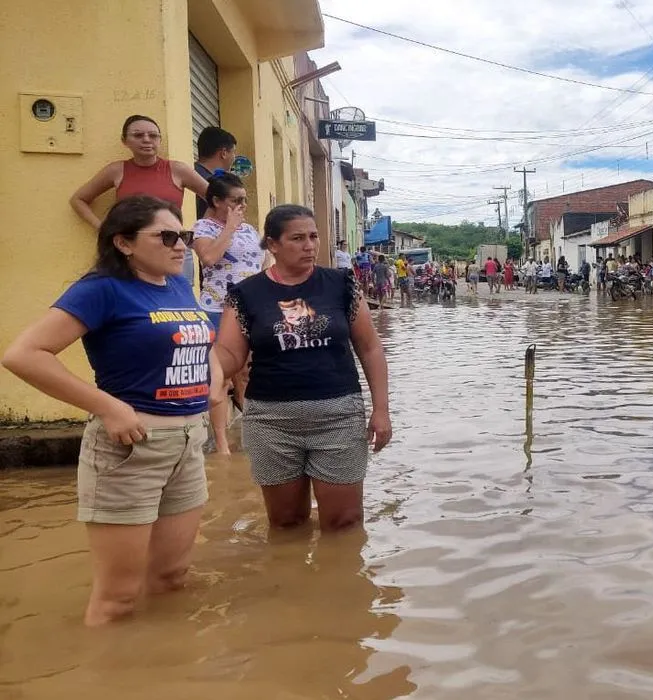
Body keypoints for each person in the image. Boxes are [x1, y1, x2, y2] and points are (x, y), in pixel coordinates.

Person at [2, 196, 223, 626]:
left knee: (172, 578)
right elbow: (24, 355)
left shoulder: (177, 281)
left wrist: (214, 376)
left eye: (185, 236)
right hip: (130, 448)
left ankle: (166, 673)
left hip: (188, 444)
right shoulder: (101, 289)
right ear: (123, 243)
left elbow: (200, 334)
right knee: (118, 598)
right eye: (167, 236)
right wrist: (107, 406)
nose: (181, 246)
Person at [213, 205, 391, 532]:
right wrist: (208, 366)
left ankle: (340, 580)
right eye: (297, 238)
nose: (310, 245)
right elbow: (229, 353)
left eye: (313, 236)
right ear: (273, 245)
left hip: (338, 417)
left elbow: (371, 348)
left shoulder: (341, 285)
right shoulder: (246, 294)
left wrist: (381, 410)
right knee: (286, 523)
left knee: (345, 523)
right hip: (271, 422)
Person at [70, 115, 209, 282]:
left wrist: (204, 231)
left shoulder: (178, 169)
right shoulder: (116, 171)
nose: (146, 140)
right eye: (137, 135)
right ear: (125, 141)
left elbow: (217, 199)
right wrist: (103, 228)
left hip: (173, 247)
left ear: (160, 140)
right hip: (132, 251)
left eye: (153, 135)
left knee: (178, 302)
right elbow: (78, 199)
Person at [191, 173, 264, 455]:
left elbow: (261, 263)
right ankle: (222, 445)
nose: (241, 206)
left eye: (244, 200)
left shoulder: (249, 230)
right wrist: (229, 228)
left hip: (249, 310)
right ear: (217, 201)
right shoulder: (203, 228)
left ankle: (253, 434)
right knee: (218, 376)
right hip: (217, 309)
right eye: (235, 201)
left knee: (246, 373)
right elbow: (208, 258)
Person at [193, 126, 238, 219]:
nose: (234, 157)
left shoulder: (189, 173)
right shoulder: (215, 184)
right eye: (233, 152)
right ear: (224, 153)